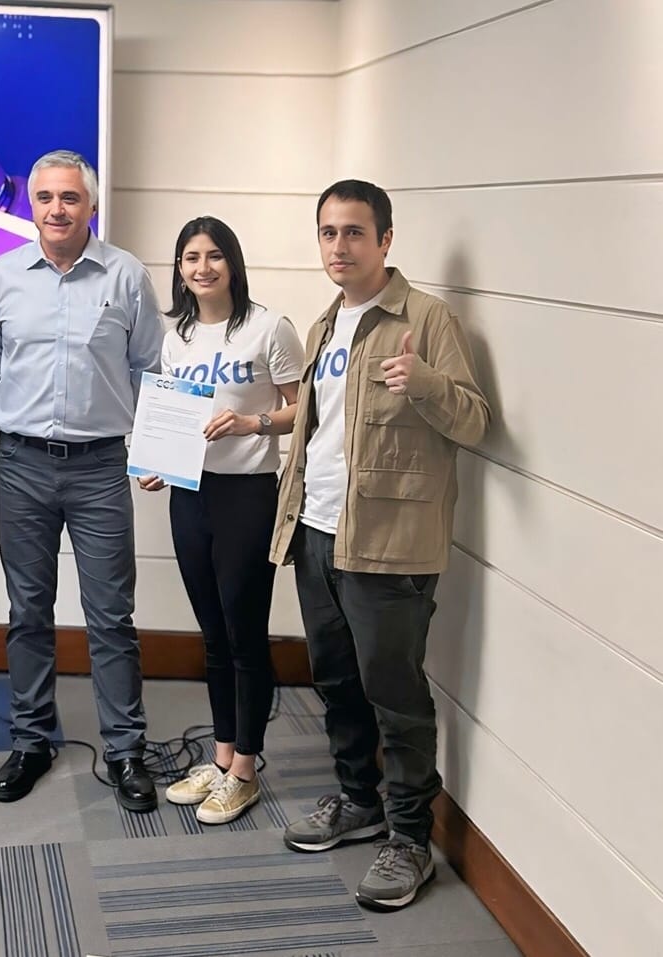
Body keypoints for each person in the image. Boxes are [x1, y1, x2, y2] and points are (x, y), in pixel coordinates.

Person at [271, 180, 490, 910]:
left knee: (393, 694)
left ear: (385, 240)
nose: (339, 246)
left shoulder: (426, 319)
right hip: (317, 531)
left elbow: (473, 422)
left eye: (354, 232)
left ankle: (408, 838)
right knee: (334, 679)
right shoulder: (324, 324)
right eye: (328, 232)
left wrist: (425, 383)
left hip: (390, 545)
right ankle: (356, 799)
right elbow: (319, 429)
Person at [0, 150, 164, 812]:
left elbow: (148, 367)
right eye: (46, 197)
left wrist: (151, 449)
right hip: (21, 463)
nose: (57, 209)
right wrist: (32, 415)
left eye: (70, 198)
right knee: (28, 612)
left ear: (91, 206)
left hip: (100, 467)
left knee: (112, 616)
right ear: (32, 204)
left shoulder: (127, 276)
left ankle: (126, 750)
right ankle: (30, 741)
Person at [138, 216, 303, 824]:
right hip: (191, 495)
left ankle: (246, 770)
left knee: (244, 634)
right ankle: (222, 754)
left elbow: (299, 410)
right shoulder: (174, 335)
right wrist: (159, 462)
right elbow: (171, 414)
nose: (201, 267)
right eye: (189, 258)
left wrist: (251, 424)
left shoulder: (268, 328)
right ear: (179, 269)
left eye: (213, 256)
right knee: (212, 634)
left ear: (232, 263)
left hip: (247, 495)